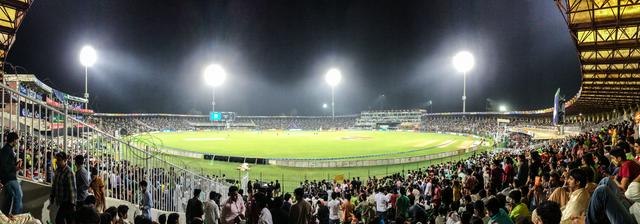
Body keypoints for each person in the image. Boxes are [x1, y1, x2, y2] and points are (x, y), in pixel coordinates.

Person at [50, 152, 77, 224]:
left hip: (67, 202)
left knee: (59, 219)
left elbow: (72, 189)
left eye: (59, 160)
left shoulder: (69, 172)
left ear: (65, 161)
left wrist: (72, 204)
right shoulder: (58, 170)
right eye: (56, 160)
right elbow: (55, 184)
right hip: (61, 201)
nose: (57, 162)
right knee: (69, 220)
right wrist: (52, 195)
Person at [0, 132, 22, 215]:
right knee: (18, 196)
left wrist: (16, 165)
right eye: (17, 140)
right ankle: (15, 216)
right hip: (9, 178)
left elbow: (7, 164)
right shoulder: (6, 150)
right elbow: (3, 165)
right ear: (13, 140)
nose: (17, 142)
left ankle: (5, 216)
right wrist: (15, 168)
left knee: (9, 198)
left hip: (8, 177)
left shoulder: (7, 149)